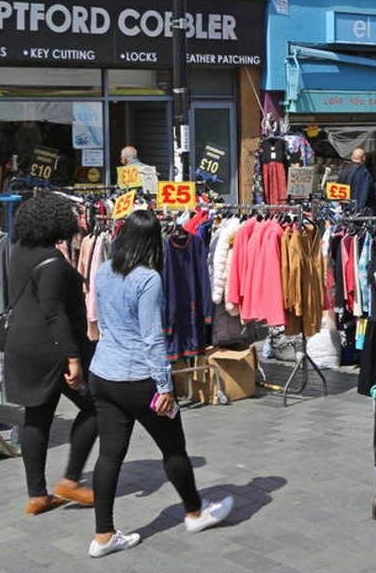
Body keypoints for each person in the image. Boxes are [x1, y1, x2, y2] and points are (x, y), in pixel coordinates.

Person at [87, 210, 233, 557]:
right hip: (139, 378)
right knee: (173, 447)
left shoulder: (104, 270)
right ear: (153, 242)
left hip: (103, 373)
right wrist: (164, 386)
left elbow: (103, 318)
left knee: (109, 455)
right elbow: (151, 337)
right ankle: (194, 511)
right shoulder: (148, 278)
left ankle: (103, 535)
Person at [3, 191, 97, 516]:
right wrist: (73, 360)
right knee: (95, 407)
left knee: (37, 414)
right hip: (50, 349)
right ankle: (71, 479)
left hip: (21, 345)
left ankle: (37, 495)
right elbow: (54, 314)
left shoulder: (19, 252)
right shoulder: (52, 263)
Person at [341, 148, 376, 214]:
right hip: (360, 216)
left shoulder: (344, 171)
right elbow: (363, 195)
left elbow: (337, 195)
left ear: (351, 157)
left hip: (346, 214)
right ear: (364, 158)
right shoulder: (363, 173)